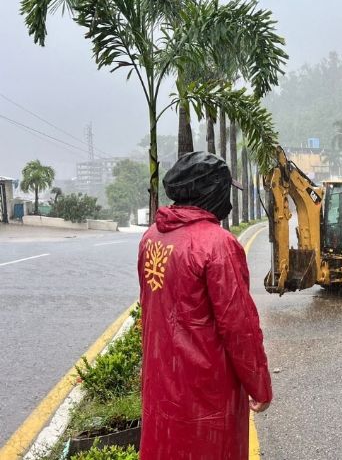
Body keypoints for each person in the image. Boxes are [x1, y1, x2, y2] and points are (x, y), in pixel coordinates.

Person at [137, 151, 272, 459]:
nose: (229, 200)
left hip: (161, 387)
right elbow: (240, 328)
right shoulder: (217, 245)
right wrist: (259, 384)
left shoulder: (151, 238)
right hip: (207, 395)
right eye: (225, 190)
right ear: (212, 192)